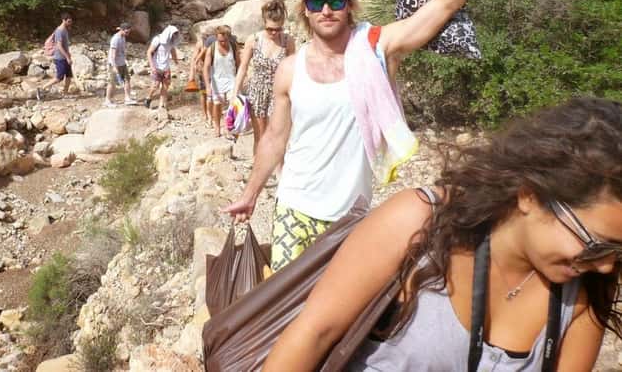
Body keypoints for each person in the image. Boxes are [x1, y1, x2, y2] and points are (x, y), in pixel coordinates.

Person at [264, 97, 622, 371]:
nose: (606, 266)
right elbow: (313, 335)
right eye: (595, 244)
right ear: (530, 194)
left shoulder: (583, 296)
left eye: (618, 251)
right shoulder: (419, 224)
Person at [225, 0, 467, 271]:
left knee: (344, 322)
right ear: (304, 9)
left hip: (349, 219)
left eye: (335, 0)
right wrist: (250, 193)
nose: (326, 9)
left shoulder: (377, 49)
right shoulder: (290, 69)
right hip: (294, 209)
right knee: (288, 316)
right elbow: (274, 137)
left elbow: (446, 2)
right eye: (317, 0)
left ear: (349, 4)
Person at [231, 0, 296, 155]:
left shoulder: (288, 41)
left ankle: (279, 174)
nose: (274, 33)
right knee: (260, 137)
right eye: (270, 29)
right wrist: (235, 93)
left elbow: (294, 70)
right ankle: (260, 173)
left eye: (278, 29)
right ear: (263, 22)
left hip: (278, 94)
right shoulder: (253, 40)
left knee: (278, 137)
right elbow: (243, 68)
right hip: (257, 93)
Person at [203, 25, 242, 139]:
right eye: (220, 40)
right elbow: (206, 68)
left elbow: (239, 64)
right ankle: (217, 127)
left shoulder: (234, 46)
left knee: (233, 104)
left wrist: (240, 79)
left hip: (231, 81)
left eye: (224, 40)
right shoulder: (212, 48)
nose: (222, 43)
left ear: (228, 38)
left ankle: (229, 127)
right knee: (217, 105)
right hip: (216, 81)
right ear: (216, 38)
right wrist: (207, 86)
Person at [144, 25, 180, 112]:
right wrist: (152, 66)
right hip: (156, 67)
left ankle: (161, 106)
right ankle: (148, 98)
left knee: (165, 86)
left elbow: (172, 51)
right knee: (155, 85)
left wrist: (176, 61)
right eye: (174, 34)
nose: (174, 36)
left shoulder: (171, 42)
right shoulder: (158, 39)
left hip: (166, 67)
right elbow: (149, 52)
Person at [105, 22, 137, 107]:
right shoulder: (115, 39)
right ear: (122, 30)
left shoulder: (123, 37)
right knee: (112, 82)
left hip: (122, 62)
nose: (128, 34)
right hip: (114, 64)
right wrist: (114, 67)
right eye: (126, 32)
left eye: (129, 32)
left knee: (127, 79)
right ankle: (107, 100)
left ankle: (127, 98)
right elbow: (113, 55)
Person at [42, 12, 74, 96]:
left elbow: (65, 45)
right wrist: (67, 57)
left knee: (69, 76)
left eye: (70, 21)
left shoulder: (65, 30)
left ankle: (65, 93)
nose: (70, 23)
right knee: (59, 77)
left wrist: (68, 54)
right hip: (60, 58)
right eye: (68, 21)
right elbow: (59, 46)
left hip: (65, 57)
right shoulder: (59, 31)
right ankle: (42, 88)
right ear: (64, 20)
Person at [189, 26, 215, 127]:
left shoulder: (214, 42)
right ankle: (205, 114)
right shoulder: (200, 44)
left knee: (211, 93)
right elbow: (194, 58)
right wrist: (191, 74)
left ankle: (210, 114)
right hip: (202, 71)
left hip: (213, 70)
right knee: (204, 93)